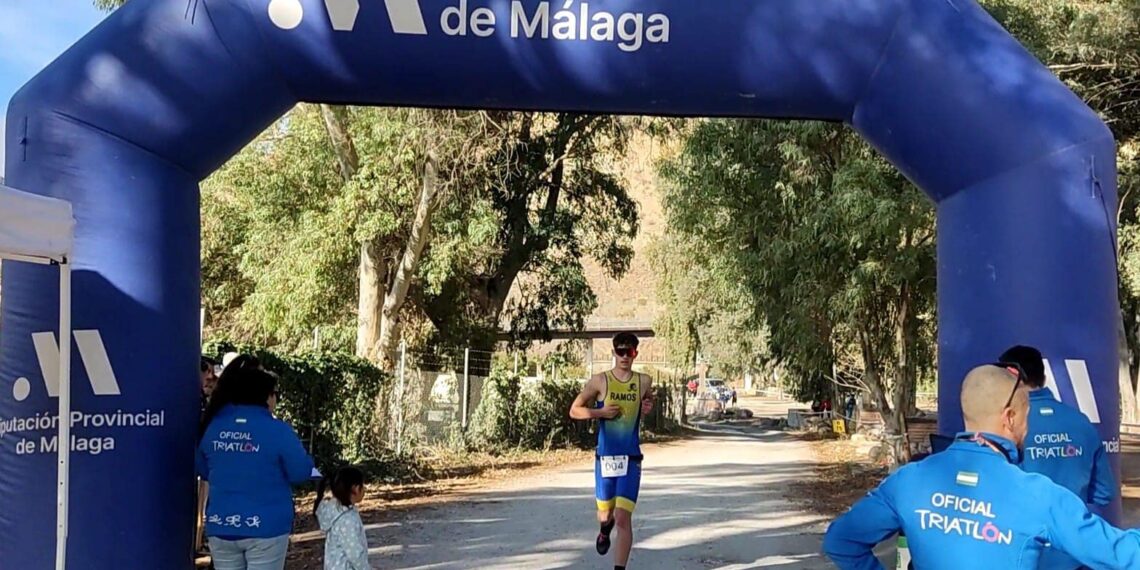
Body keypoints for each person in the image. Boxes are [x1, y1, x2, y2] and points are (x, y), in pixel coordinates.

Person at [822, 363, 1140, 569]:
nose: (1027, 430)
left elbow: (841, 541)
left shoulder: (909, 480)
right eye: (1026, 418)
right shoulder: (1037, 495)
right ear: (1010, 418)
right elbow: (1122, 554)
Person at [999, 344, 1117, 569]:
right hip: (1073, 557)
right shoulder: (1081, 422)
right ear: (1042, 377)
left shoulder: (1006, 427)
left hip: (1022, 555)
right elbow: (1104, 492)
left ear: (1013, 377)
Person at [197, 365, 315, 570]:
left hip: (221, 523)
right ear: (267, 396)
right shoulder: (277, 430)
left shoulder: (213, 426)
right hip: (266, 526)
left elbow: (202, 468)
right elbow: (300, 472)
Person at [569, 333, 654, 570]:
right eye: (621, 351)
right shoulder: (599, 381)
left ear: (636, 354)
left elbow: (648, 400)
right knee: (606, 515)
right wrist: (600, 413)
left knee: (624, 518)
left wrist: (648, 404)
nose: (625, 356)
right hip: (606, 458)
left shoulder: (644, 381)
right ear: (614, 353)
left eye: (630, 352)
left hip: (631, 458)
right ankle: (604, 530)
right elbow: (574, 410)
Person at [315, 466, 371, 570]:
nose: (364, 489)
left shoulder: (335, 510)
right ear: (355, 489)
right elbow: (355, 553)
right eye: (362, 486)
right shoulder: (347, 519)